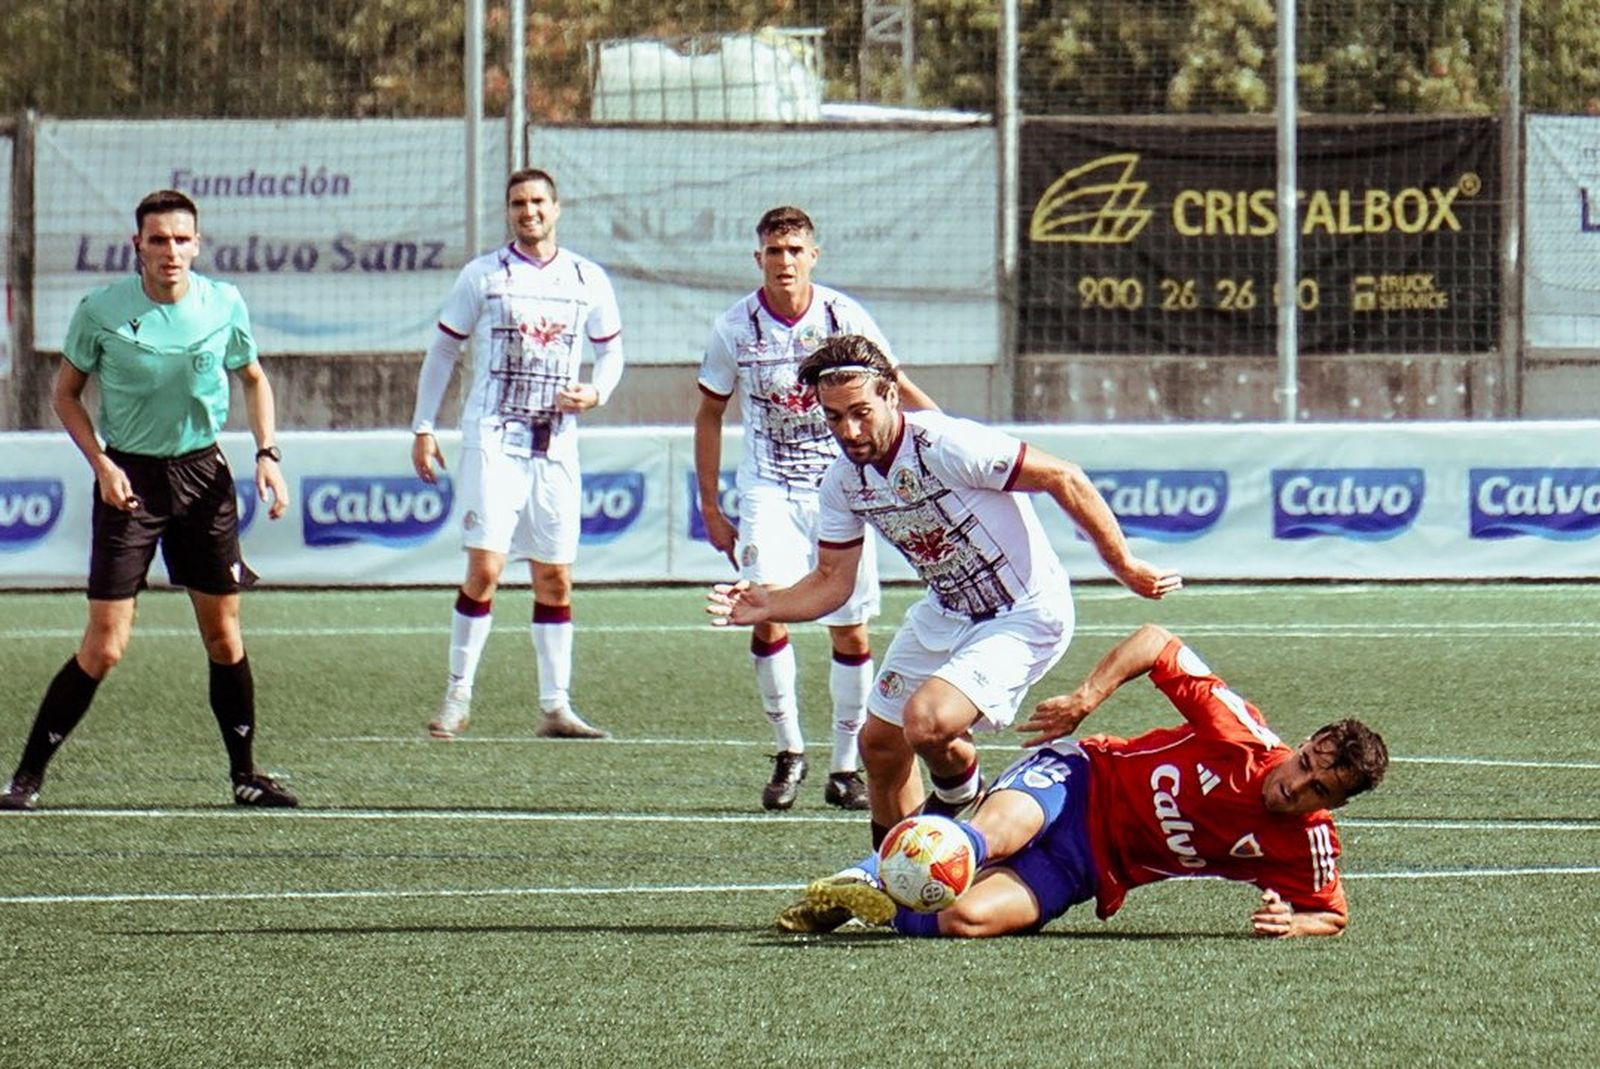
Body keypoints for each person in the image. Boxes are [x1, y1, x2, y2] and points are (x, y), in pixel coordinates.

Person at [707, 334, 1181, 844]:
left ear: (891, 395)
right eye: (834, 417)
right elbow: (831, 582)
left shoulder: (946, 444)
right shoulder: (842, 482)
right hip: (945, 612)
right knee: (881, 745)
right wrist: (769, 603)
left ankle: (959, 803)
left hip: (1023, 612)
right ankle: (891, 880)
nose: (849, 429)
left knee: (928, 722)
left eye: (861, 411)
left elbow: (1064, 477)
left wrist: (1125, 564)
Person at [777, 623, 1390, 938]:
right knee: (995, 833)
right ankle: (867, 872)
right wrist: (1086, 697)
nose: (1295, 786)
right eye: (1304, 764)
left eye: (1318, 791)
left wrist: (1296, 923)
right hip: (1078, 780)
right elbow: (1156, 641)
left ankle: (881, 904)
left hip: (1092, 865)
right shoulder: (1240, 732)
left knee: (970, 921)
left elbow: (1331, 914)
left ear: (1334, 805)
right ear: (1304, 744)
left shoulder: (1307, 845)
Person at [0, 189, 296, 811]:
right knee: (105, 644)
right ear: (137, 245)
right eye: (158, 240)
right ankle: (24, 779)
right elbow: (66, 395)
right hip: (129, 482)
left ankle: (245, 775)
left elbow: (253, 377)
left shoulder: (224, 303)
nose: (171, 251)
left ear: (198, 244)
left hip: (203, 479)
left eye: (181, 240)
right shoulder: (101, 310)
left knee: (223, 636)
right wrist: (102, 463)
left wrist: (267, 454)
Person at [695, 206, 936, 811]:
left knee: (851, 631)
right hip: (769, 490)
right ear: (759, 259)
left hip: (842, 485)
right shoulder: (734, 329)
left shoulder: (842, 317)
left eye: (795, 250)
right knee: (765, 610)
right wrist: (711, 506)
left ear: (813, 255)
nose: (785, 262)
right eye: (774, 252)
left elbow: (894, 385)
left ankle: (844, 767)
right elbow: (709, 413)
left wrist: (947, 433)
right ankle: (788, 751)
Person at [412, 167, 623, 741]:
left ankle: (555, 707)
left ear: (556, 208)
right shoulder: (483, 275)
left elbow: (611, 352)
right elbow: (443, 351)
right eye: (517, 203)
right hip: (493, 436)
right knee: (487, 568)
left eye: (537, 202)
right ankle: (457, 696)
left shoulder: (587, 277)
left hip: (555, 443)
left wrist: (597, 390)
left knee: (555, 578)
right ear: (509, 212)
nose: (528, 211)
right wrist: (423, 426)